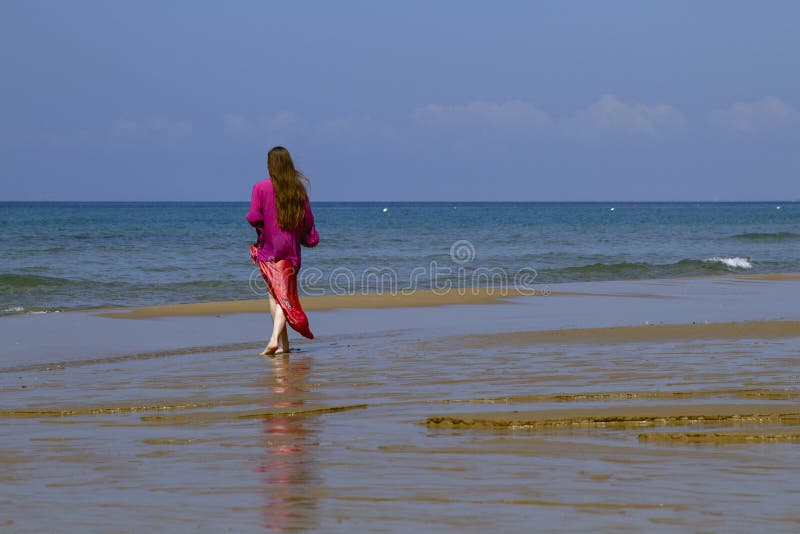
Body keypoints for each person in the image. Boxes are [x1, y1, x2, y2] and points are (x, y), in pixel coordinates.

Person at [247, 146, 319, 356]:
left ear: (270, 166)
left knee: (275, 296)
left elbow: (253, 217)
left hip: (268, 249)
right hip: (290, 250)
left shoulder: (260, 187)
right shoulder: (298, 190)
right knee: (283, 296)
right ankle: (280, 344)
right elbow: (307, 221)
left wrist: (264, 227)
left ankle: (275, 341)